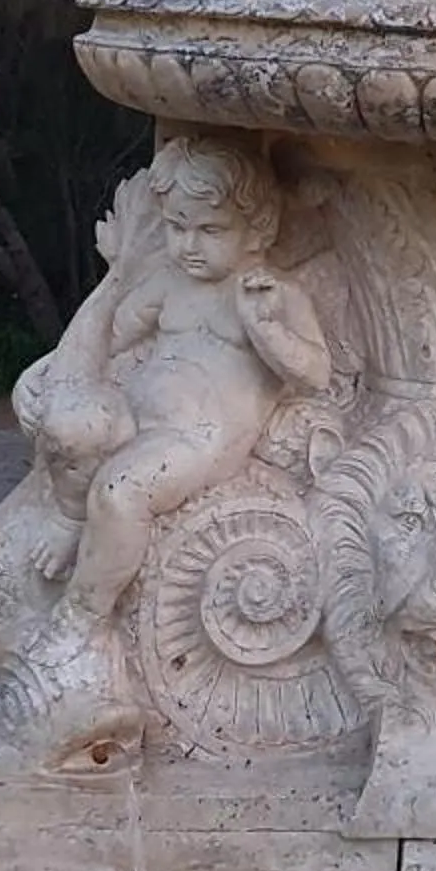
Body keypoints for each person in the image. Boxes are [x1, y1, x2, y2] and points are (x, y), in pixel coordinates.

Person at [30, 139, 330, 623]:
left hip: (199, 439)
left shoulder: (270, 295)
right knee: (69, 427)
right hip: (139, 413)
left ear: (258, 229)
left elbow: (316, 373)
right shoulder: (171, 284)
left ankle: (81, 617)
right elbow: (113, 335)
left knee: (120, 491)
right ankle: (69, 517)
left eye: (211, 230)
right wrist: (113, 280)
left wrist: (268, 331)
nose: (188, 246)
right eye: (177, 227)